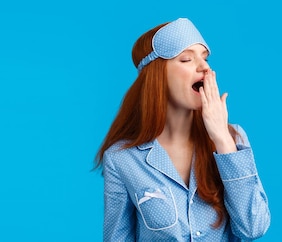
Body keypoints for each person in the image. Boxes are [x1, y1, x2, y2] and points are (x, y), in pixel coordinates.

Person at [94, 18, 270, 241]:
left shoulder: (233, 139)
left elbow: (253, 227)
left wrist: (222, 140)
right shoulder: (122, 159)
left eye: (205, 58)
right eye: (186, 59)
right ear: (157, 76)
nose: (204, 67)